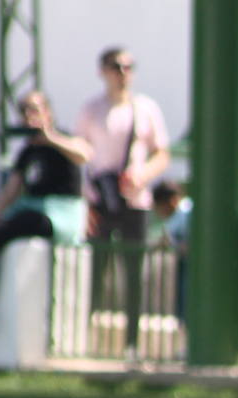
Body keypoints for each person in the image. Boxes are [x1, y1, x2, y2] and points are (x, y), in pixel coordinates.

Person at [0, 90, 88, 325]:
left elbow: (84, 154)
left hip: (56, 215)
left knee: (22, 222)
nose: (30, 116)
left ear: (48, 112)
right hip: (30, 210)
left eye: (35, 110)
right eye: (25, 112)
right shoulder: (28, 151)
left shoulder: (64, 139)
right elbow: (11, 190)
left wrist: (50, 138)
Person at [76, 46, 171, 363]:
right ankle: (87, 340)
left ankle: (132, 344)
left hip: (135, 201)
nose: (123, 73)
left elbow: (162, 154)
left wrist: (142, 175)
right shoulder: (91, 109)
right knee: (97, 270)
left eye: (129, 66)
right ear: (103, 71)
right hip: (100, 201)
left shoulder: (146, 109)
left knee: (133, 273)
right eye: (116, 66)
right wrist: (86, 200)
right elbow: (81, 154)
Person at [151, 180, 191, 342]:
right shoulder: (175, 218)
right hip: (185, 267)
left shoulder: (187, 213)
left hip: (194, 271)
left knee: (188, 305)